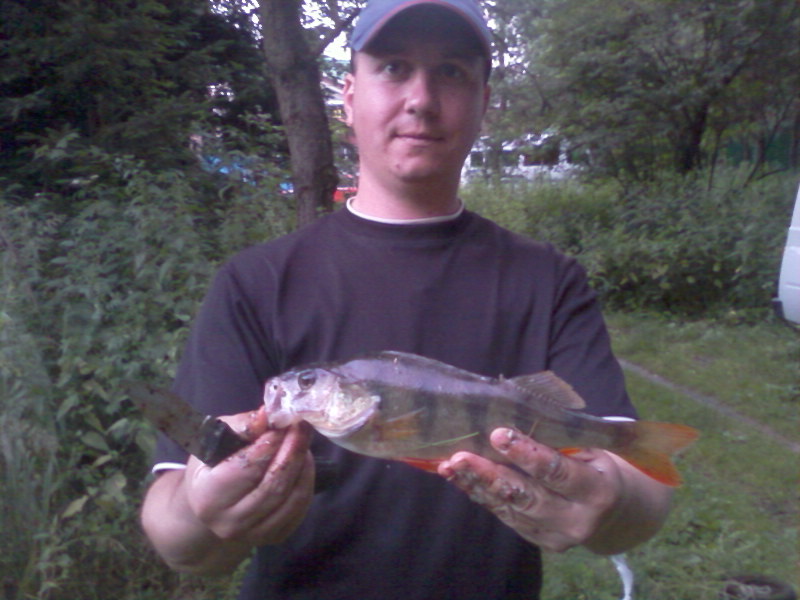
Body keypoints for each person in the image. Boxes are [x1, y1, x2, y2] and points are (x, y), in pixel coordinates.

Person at [140, 1, 674, 598]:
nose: (421, 98)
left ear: (483, 103)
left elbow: (644, 494)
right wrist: (202, 514)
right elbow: (173, 532)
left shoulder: (551, 280)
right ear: (348, 96)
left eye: (451, 71)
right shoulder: (253, 282)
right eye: (394, 67)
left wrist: (612, 503)